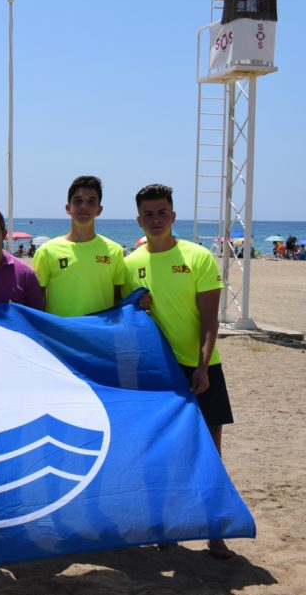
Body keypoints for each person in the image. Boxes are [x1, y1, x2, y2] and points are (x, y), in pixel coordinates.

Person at [123, 183, 234, 559]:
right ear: (139, 219)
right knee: (163, 453)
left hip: (201, 367)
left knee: (209, 452)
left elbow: (209, 321)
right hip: (155, 372)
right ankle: (166, 526)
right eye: (148, 214)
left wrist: (203, 366)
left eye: (162, 212)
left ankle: (215, 529)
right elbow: (124, 318)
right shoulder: (130, 263)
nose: (156, 219)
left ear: (173, 216)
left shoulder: (198, 257)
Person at [33, 175, 127, 317]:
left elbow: (117, 299)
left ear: (99, 210)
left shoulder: (114, 251)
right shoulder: (47, 251)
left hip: (99, 334)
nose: (84, 206)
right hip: (60, 334)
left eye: (91, 201)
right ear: (68, 208)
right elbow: (37, 300)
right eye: (78, 201)